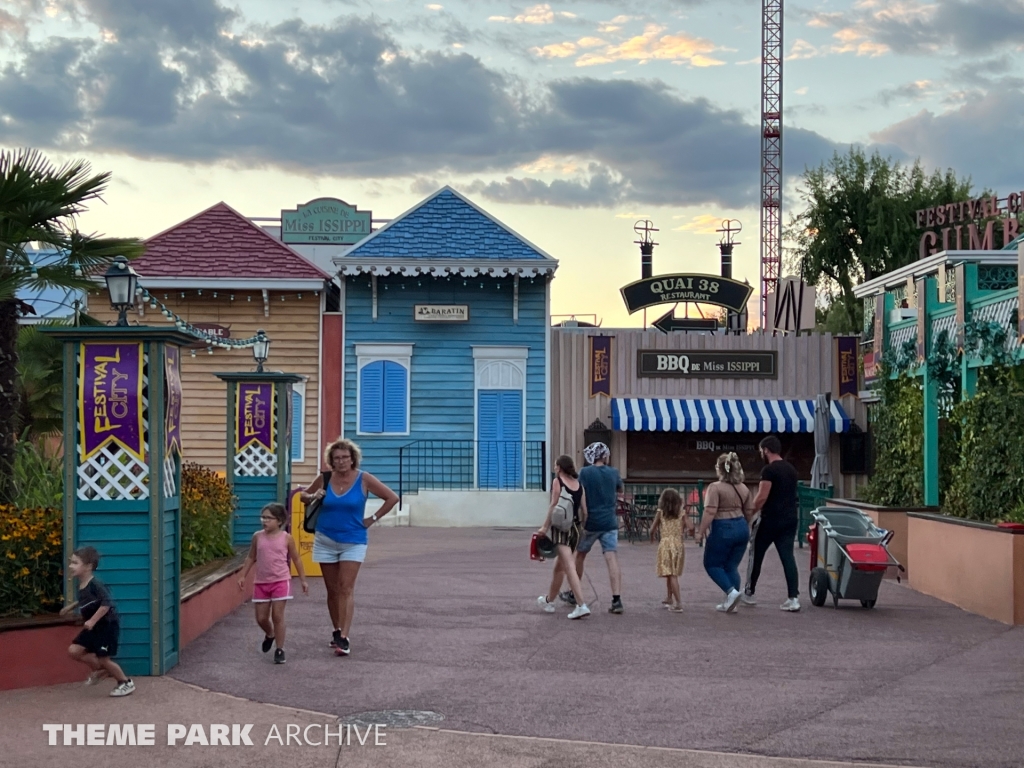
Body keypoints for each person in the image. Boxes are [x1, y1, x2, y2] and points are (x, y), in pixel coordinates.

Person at [301, 438, 399, 655]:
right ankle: (336, 630)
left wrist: (372, 519)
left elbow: (392, 498)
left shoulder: (364, 478)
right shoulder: (325, 478)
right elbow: (303, 497)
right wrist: (313, 495)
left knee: (346, 588)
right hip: (325, 539)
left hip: (353, 540)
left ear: (353, 458)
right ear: (331, 461)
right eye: (337, 458)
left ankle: (344, 637)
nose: (341, 461)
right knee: (332, 590)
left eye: (345, 457)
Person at [237, 502, 308, 664]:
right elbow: (251, 557)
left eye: (269, 518)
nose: (264, 521)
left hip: (281, 580)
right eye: (263, 517)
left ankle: (280, 649)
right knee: (261, 618)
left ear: (280, 521)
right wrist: (242, 575)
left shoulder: (286, 538)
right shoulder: (257, 537)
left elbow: (296, 558)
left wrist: (303, 580)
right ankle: (270, 634)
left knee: (277, 615)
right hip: (261, 582)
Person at [60, 546, 134, 697]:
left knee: (104, 659)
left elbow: (106, 604)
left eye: (75, 563)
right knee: (74, 651)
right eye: (71, 562)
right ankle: (102, 670)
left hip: (106, 626)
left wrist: (92, 621)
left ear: (88, 567)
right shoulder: (81, 585)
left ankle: (125, 682)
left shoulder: (95, 584)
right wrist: (70, 607)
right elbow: (86, 600)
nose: (71, 566)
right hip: (93, 627)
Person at [562, 442, 625, 614]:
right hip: (609, 522)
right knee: (611, 557)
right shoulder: (613, 472)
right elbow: (620, 489)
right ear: (604, 456)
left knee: (580, 555)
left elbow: (577, 491)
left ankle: (573, 592)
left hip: (590, 521)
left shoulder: (585, 473)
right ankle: (616, 599)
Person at [742, 435, 801, 611]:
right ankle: (793, 597)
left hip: (770, 519)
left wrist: (749, 513)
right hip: (790, 518)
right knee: (788, 557)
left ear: (766, 450)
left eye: (761, 451)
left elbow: (761, 497)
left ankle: (749, 592)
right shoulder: (791, 469)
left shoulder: (768, 470)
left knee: (756, 554)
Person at [536, 455, 592, 619]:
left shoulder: (558, 482)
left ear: (560, 467)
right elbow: (585, 511)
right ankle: (549, 601)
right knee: (559, 568)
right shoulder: (579, 485)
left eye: (556, 465)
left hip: (561, 529)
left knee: (568, 566)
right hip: (576, 529)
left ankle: (581, 605)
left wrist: (545, 527)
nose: (555, 468)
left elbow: (553, 504)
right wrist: (582, 528)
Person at [697, 452, 752, 613]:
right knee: (731, 566)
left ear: (719, 469)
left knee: (712, 564)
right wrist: (745, 526)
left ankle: (731, 592)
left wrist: (700, 532)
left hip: (723, 527)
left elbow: (710, 511)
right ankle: (731, 602)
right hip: (741, 527)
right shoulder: (744, 488)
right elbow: (749, 511)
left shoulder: (715, 488)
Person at [648, 488, 694, 612]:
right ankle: (669, 597)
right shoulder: (681, 513)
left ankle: (678, 603)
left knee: (671, 574)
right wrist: (689, 532)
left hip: (665, 544)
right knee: (671, 572)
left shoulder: (660, 513)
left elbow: (652, 529)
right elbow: (691, 527)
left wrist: (652, 537)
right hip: (678, 544)